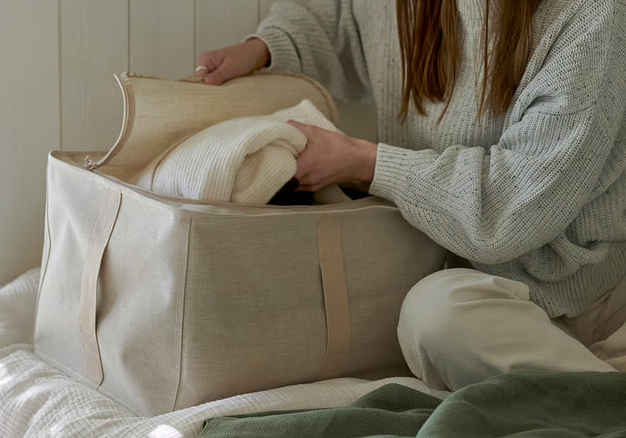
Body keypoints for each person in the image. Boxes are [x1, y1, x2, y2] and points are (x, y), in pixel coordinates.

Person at [196, 0, 626, 391]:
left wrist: (367, 163)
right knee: (425, 313)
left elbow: (513, 211)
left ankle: (600, 393)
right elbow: (338, 15)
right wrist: (266, 46)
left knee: (435, 317)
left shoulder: (593, 14)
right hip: (458, 272)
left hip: (585, 297)